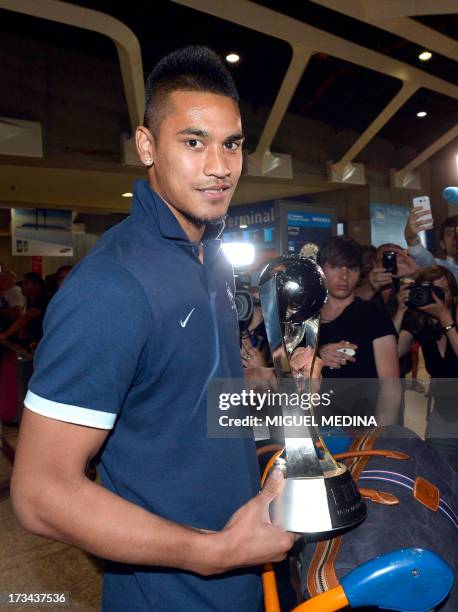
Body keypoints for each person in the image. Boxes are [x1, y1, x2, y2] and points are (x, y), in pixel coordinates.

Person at [10, 47, 306, 612]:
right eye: (193, 141)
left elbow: (183, 397)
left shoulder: (210, 254)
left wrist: (272, 386)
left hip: (242, 575)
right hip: (173, 592)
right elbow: (39, 494)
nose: (220, 165)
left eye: (232, 143)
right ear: (147, 145)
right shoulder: (112, 288)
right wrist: (214, 551)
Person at [317, 236, 401, 423]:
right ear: (321, 269)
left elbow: (390, 386)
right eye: (336, 267)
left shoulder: (372, 314)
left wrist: (379, 438)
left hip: (360, 426)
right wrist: (318, 356)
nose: (344, 276)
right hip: (314, 426)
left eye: (352, 269)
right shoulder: (305, 316)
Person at [396, 265, 458, 469]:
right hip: (444, 414)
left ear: (453, 294)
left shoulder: (453, 316)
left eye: (441, 292)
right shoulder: (421, 322)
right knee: (441, 475)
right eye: (429, 290)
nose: (435, 297)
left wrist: (445, 318)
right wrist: (401, 310)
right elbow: (393, 352)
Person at [405, 209, 458, 282]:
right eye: (450, 233)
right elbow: (420, 256)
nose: (456, 237)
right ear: (442, 244)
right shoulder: (438, 267)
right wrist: (411, 237)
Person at [0, 272, 50, 350]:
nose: (22, 286)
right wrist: (22, 329)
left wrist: (5, 334)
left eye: (26, 283)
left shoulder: (43, 298)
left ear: (36, 285)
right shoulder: (30, 299)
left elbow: (26, 317)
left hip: (44, 340)